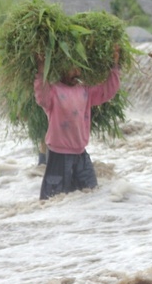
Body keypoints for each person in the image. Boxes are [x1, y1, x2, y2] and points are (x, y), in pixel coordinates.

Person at [34, 46, 121, 200]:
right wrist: (41, 68)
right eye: (72, 69)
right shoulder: (53, 92)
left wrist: (114, 66)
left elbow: (107, 91)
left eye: (79, 69)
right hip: (58, 156)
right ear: (61, 68)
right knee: (53, 200)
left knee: (91, 194)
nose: (77, 73)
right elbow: (41, 95)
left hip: (81, 154)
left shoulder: (86, 91)